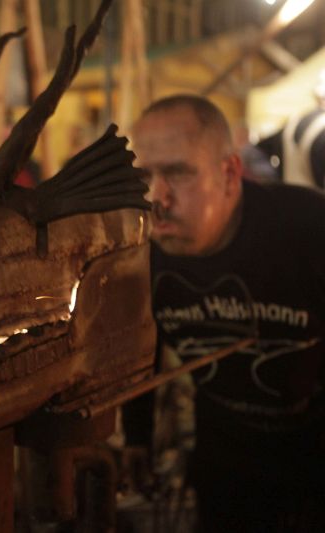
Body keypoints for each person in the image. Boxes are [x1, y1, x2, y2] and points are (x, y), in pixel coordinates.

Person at [129, 94, 325, 532]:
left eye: (178, 173)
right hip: (226, 465)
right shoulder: (139, 253)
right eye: (144, 176)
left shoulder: (309, 229)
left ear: (230, 174)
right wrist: (137, 438)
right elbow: (141, 347)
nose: (156, 197)